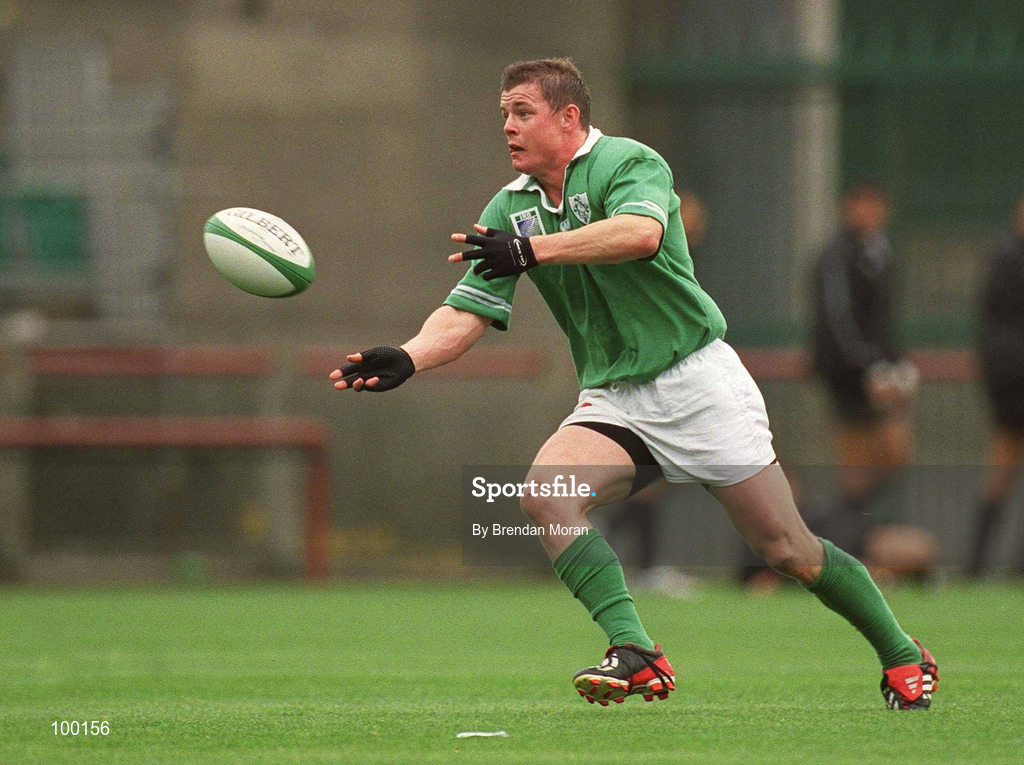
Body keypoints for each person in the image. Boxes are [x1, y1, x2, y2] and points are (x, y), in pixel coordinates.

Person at [330, 59, 937, 710]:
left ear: (569, 118)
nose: (507, 126)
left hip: (697, 382)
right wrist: (411, 355)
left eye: (522, 111)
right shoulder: (510, 207)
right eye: (504, 114)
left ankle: (904, 654)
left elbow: (640, 234)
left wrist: (533, 251)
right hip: (616, 397)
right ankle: (636, 650)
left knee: (788, 549)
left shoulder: (627, 162)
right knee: (545, 495)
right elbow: (469, 309)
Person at [809, 185, 937, 576]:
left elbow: (885, 321)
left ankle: (850, 540)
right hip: (847, 379)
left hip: (877, 374)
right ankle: (839, 550)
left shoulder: (880, 252)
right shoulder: (834, 255)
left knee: (891, 458)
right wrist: (870, 369)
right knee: (858, 465)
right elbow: (839, 322)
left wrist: (897, 366)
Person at [968, 193, 1024, 577]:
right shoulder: (1006, 262)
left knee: (1000, 473)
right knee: (1001, 472)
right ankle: (978, 564)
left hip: (1009, 382)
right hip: (1013, 387)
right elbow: (998, 337)